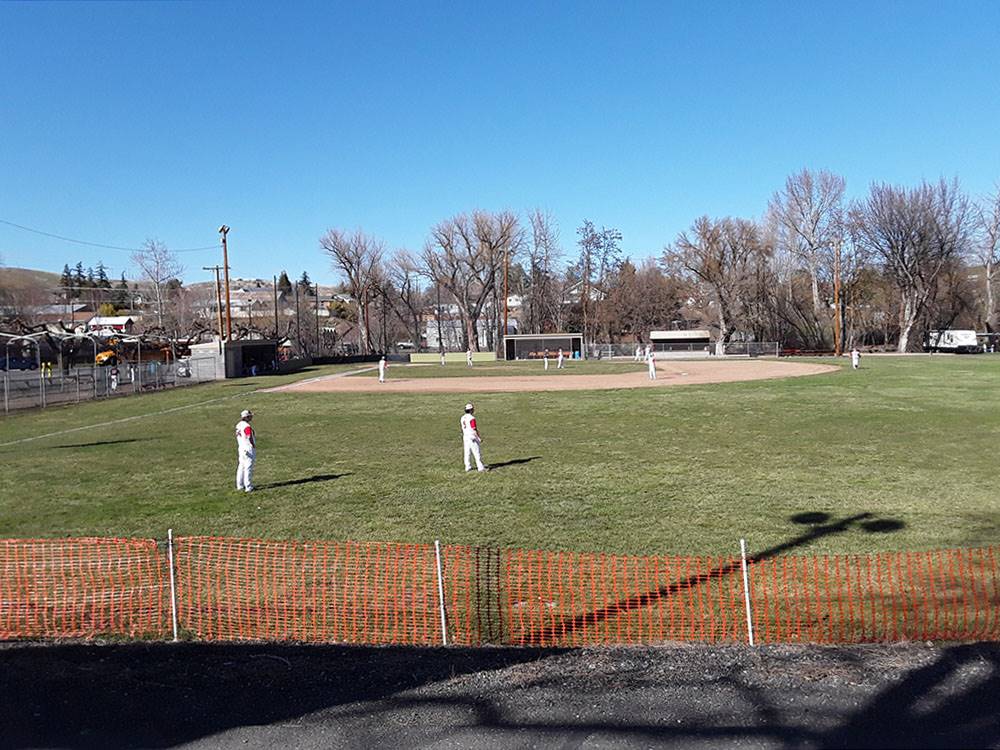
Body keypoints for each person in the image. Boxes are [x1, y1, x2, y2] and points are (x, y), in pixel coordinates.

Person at [460, 402, 487, 472]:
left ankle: (467, 467)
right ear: (471, 410)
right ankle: (480, 467)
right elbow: (474, 429)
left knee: (467, 453)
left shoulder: (462, 417)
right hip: (472, 437)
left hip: (465, 436)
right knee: (476, 452)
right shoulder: (472, 418)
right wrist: (478, 438)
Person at [235, 409, 256, 493]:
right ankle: (248, 486)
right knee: (248, 468)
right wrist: (253, 444)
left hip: (241, 448)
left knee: (241, 467)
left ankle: (239, 485)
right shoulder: (246, 426)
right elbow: (248, 436)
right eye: (250, 416)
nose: (251, 417)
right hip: (248, 448)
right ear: (247, 417)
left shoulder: (238, 425)